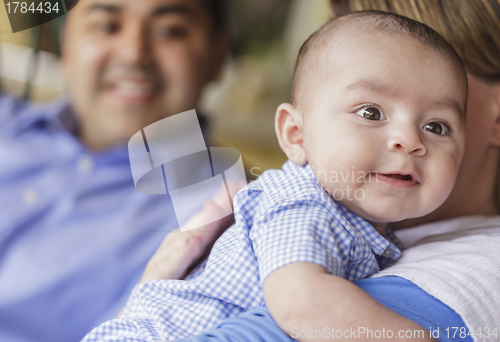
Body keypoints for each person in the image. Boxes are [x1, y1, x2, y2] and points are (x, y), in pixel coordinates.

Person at [82, 11, 468, 342]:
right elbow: (302, 302)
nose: (410, 140)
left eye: (437, 126)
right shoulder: (301, 201)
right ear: (296, 136)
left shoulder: (379, 229)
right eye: (371, 113)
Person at [0, 0, 228, 341]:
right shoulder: (9, 120)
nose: (134, 54)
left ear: (217, 56)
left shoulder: (222, 220)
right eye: (107, 25)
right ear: (67, 46)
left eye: (170, 31)